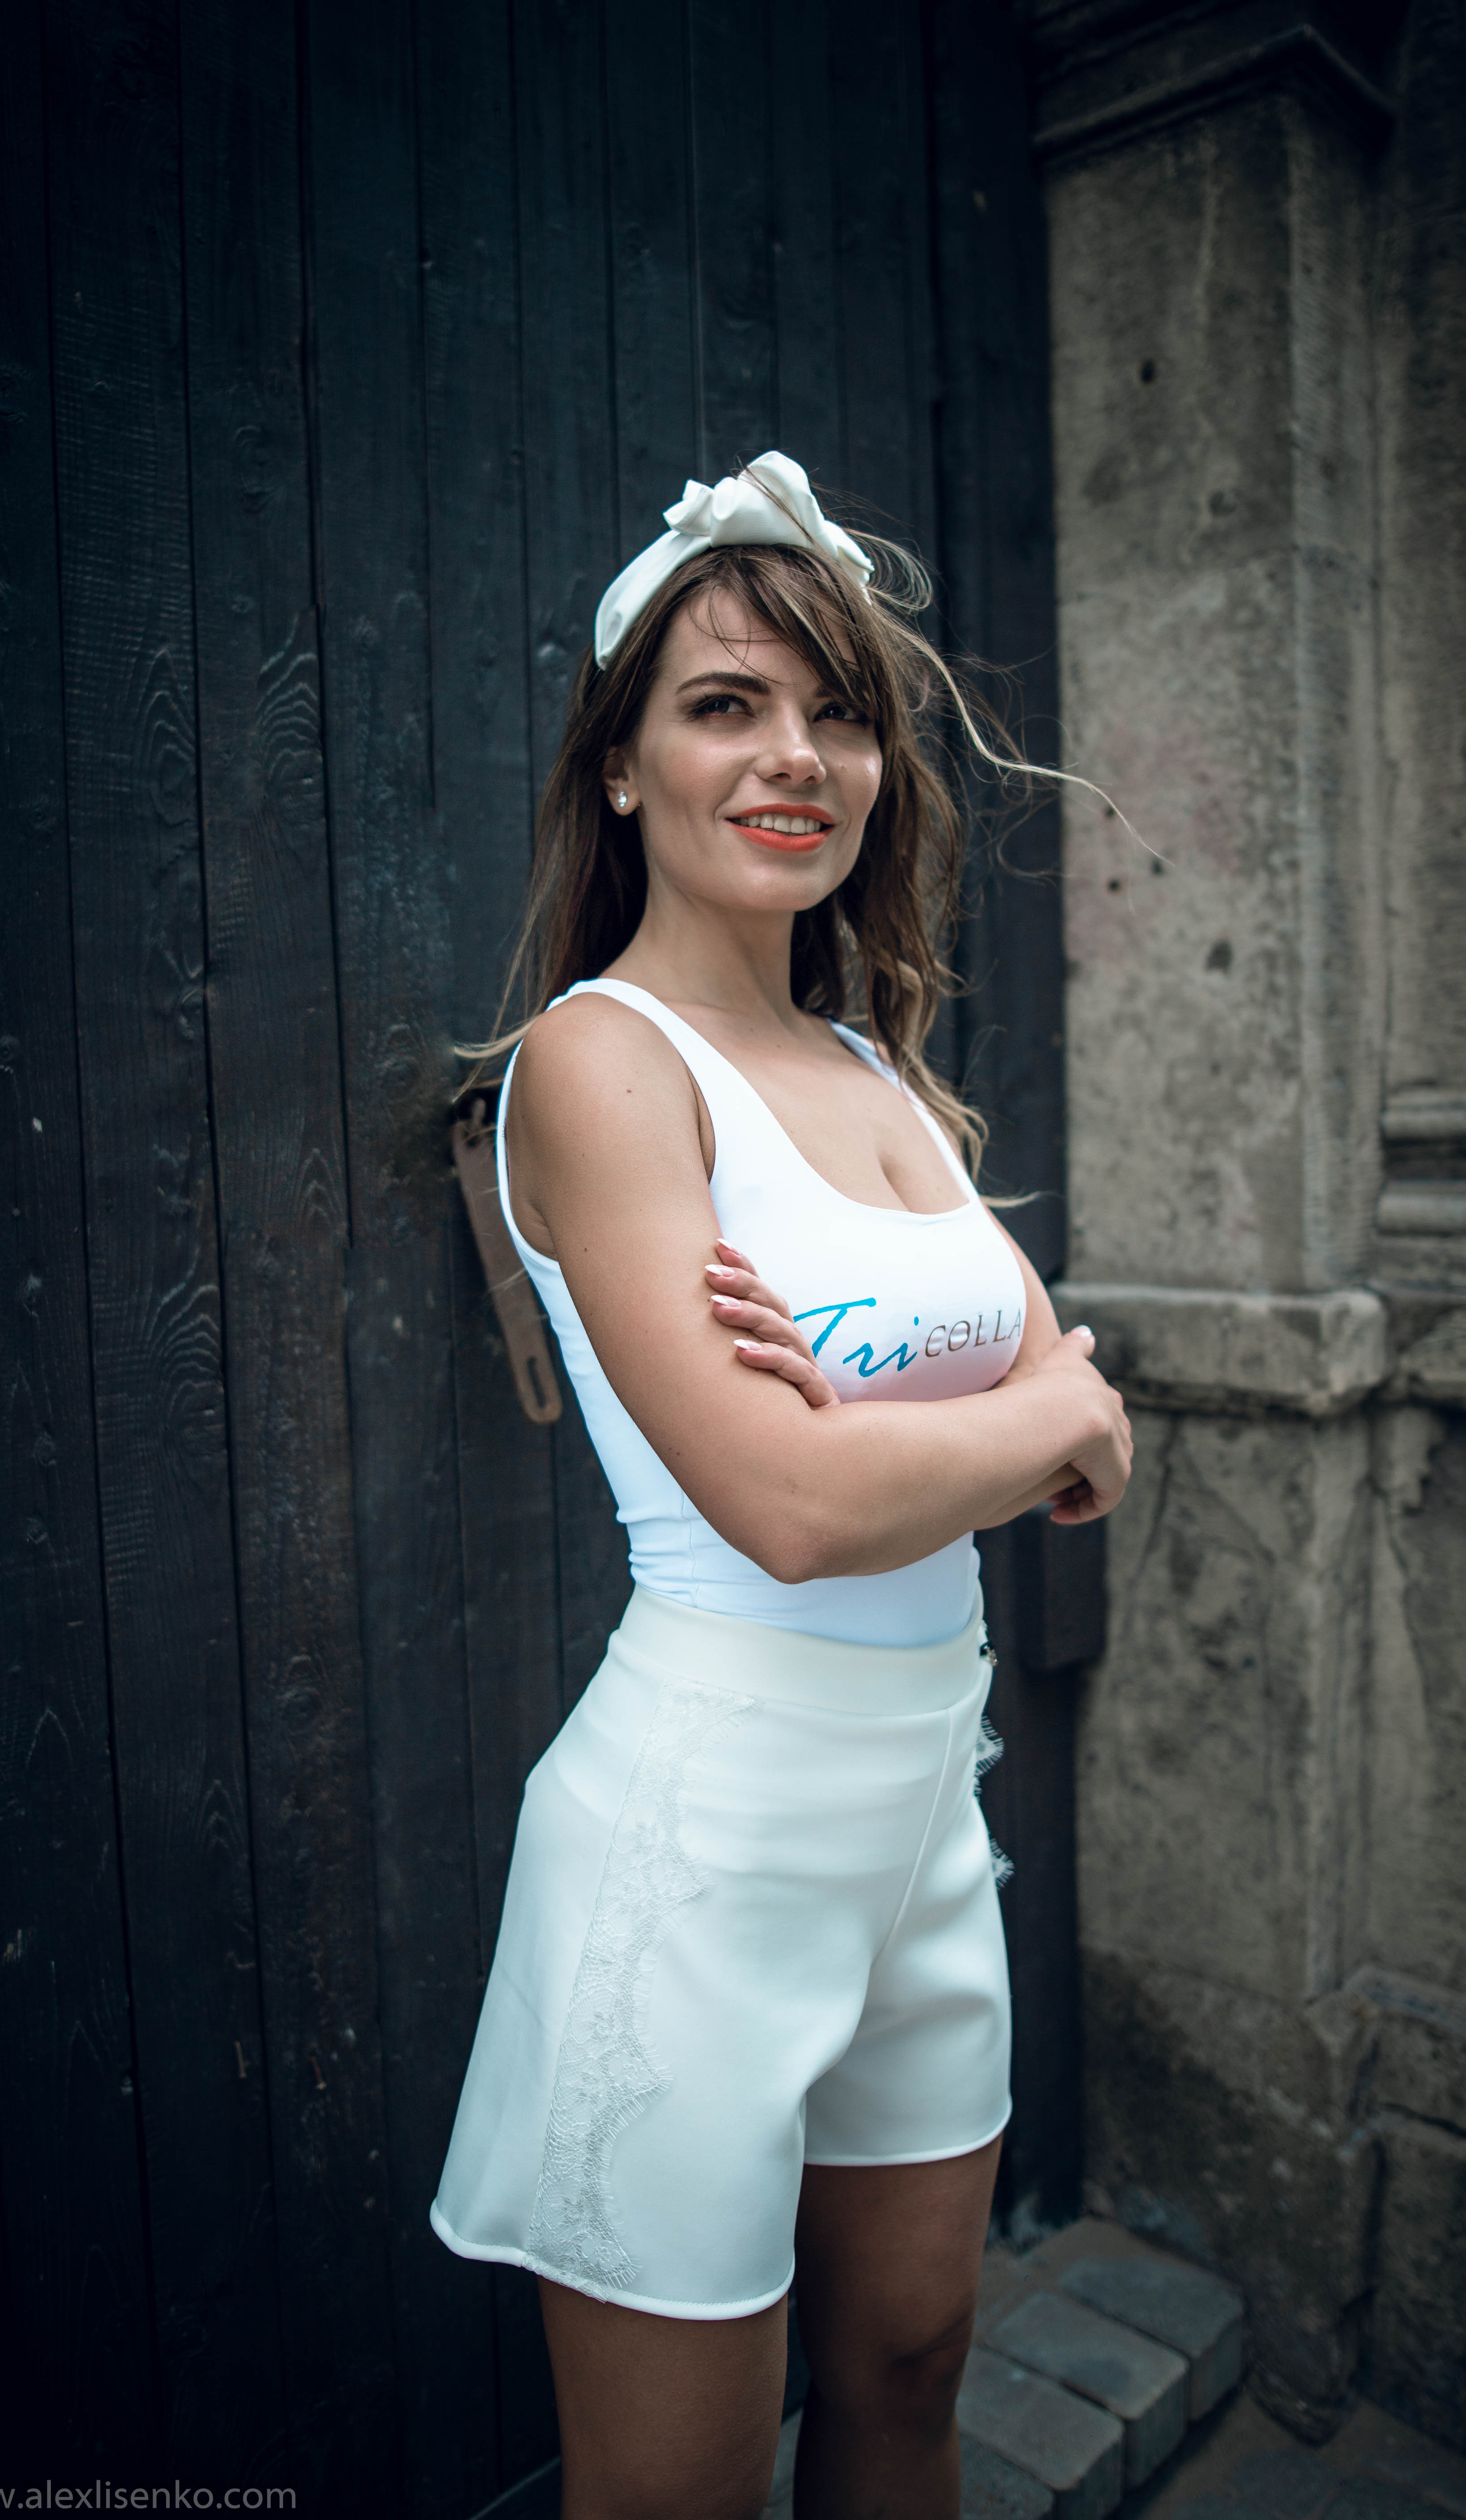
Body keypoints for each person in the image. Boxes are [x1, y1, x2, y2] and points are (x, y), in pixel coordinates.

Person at [430, 453, 1133, 2520]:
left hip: (921, 1826)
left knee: (909, 2369)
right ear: (621, 763)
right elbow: (800, 1511)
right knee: (680, 2486)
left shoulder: (873, 1068)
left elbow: (1083, 1413)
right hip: (702, 1847)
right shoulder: (598, 1063)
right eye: (723, 705)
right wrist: (1013, 1427)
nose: (792, 758)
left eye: (835, 713)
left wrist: (954, 1428)